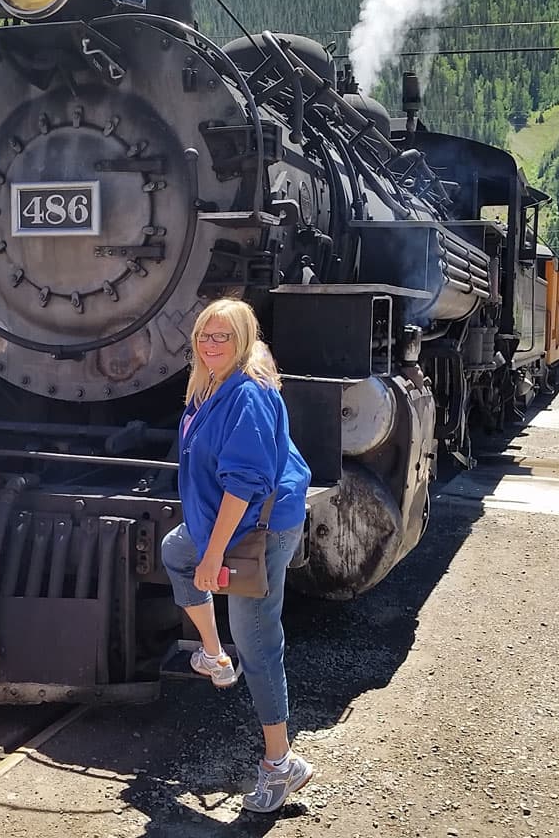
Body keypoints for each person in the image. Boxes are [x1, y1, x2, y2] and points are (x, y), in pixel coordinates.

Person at [161, 298, 313, 814]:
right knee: (175, 550)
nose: (211, 344)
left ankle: (280, 763)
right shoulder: (210, 386)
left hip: (256, 531)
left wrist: (215, 554)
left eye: (223, 336)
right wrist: (203, 549)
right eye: (205, 334)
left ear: (243, 341)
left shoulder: (245, 394)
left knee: (258, 642)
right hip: (227, 522)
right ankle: (213, 654)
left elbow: (244, 485)